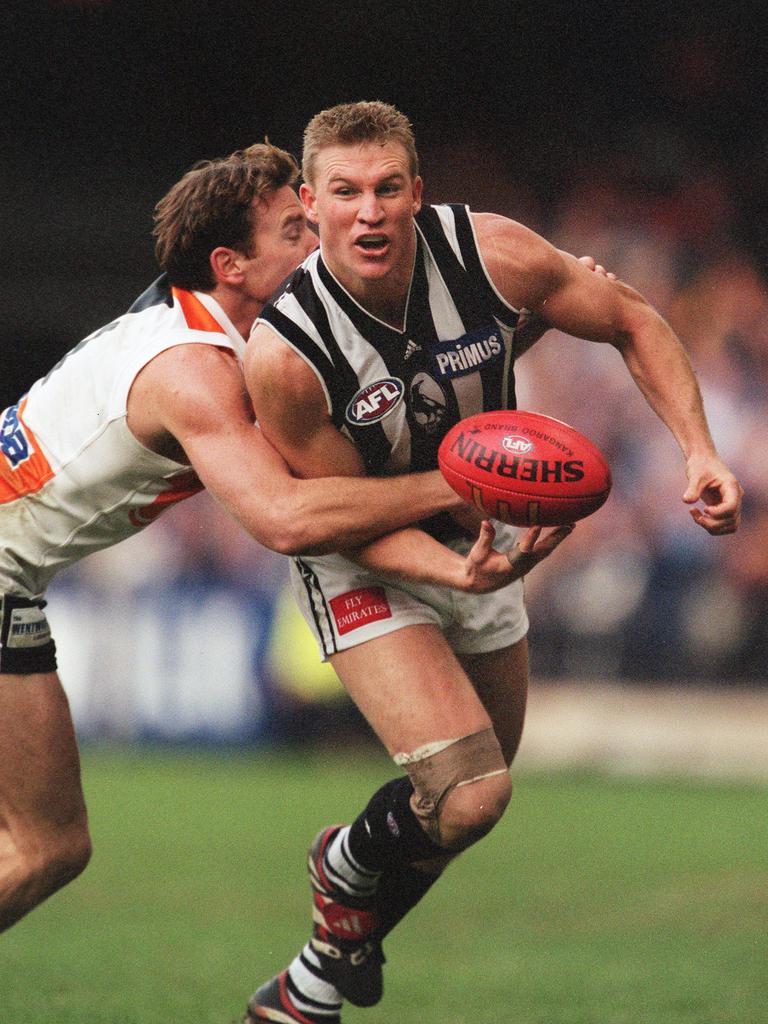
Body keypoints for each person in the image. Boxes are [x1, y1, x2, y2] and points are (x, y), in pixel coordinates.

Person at [242, 102, 743, 1023]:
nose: (370, 212)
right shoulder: (287, 355)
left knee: (460, 806)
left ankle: (312, 977)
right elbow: (339, 518)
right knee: (470, 794)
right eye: (346, 193)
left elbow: (632, 318)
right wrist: (450, 563)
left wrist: (699, 452)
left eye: (389, 188)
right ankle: (345, 861)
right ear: (310, 208)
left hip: (484, 542)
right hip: (364, 556)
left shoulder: (491, 254)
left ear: (419, 194)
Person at [0, 140, 558, 935]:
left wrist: (521, 321)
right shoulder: (196, 371)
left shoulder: (226, 334)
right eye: (297, 229)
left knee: (47, 848)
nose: (319, 238)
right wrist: (460, 483)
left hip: (10, 583)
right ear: (229, 265)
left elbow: (377, 402)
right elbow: (286, 517)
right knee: (42, 849)